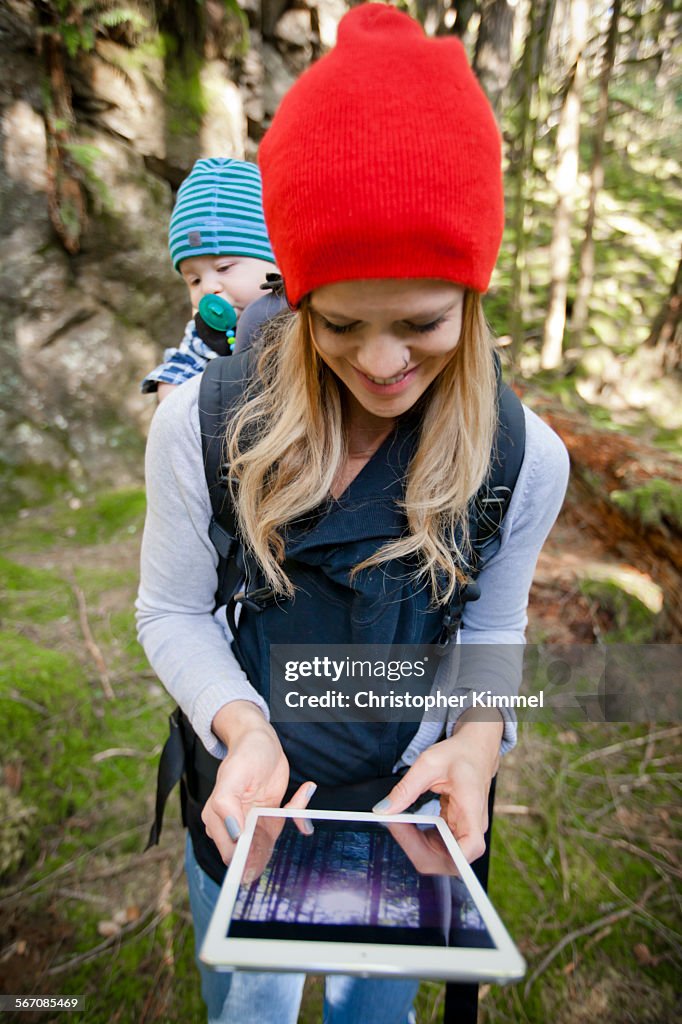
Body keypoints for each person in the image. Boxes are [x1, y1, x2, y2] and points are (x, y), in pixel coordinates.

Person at [136, 5, 570, 1022]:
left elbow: (492, 631)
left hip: (406, 813)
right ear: (296, 294)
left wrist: (474, 740)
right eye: (339, 323)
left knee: (376, 1009)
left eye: (421, 322)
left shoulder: (523, 457)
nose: (381, 364)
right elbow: (173, 613)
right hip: (251, 802)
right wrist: (241, 726)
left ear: (474, 295)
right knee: (251, 1000)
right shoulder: (205, 425)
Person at [141, 157, 277, 401]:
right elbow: (181, 369)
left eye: (224, 268)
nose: (208, 287)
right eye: (194, 280)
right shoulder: (206, 334)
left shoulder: (301, 311)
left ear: (278, 258)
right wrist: (171, 394)